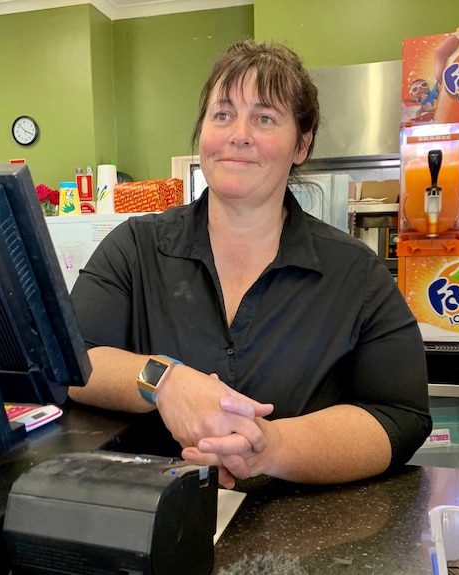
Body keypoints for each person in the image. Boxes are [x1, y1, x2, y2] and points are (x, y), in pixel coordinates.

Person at [68, 39, 431, 488]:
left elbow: (400, 416)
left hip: (303, 534)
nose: (239, 133)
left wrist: (272, 446)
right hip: (147, 519)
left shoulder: (357, 273)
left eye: (264, 118)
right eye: (222, 114)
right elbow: (71, 361)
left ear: (302, 144)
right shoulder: (136, 247)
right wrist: (162, 380)